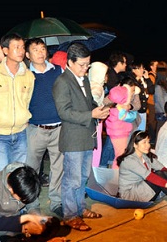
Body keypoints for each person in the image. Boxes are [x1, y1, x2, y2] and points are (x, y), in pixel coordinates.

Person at [52, 42, 109, 231]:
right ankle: (70, 215)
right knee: (72, 179)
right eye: (82, 65)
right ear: (70, 62)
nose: (85, 69)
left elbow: (88, 103)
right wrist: (91, 115)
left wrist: (98, 109)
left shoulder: (83, 79)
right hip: (73, 138)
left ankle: (80, 208)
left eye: (88, 65)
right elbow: (64, 112)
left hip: (86, 135)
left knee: (83, 176)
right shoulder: (62, 82)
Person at [0, 33, 35, 180]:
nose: (21, 51)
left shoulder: (29, 76)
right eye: (16, 47)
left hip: (21, 133)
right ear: (5, 50)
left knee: (19, 177)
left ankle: (16, 204)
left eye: (22, 47)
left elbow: (27, 101)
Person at [24, 38, 64, 217]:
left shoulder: (58, 71)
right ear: (27, 54)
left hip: (58, 127)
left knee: (58, 167)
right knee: (31, 169)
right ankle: (32, 204)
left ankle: (57, 202)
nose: (40, 52)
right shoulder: (24, 74)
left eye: (42, 48)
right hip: (35, 129)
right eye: (35, 49)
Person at [105, 84, 138, 169]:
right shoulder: (120, 110)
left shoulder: (115, 108)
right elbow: (131, 117)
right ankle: (116, 177)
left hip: (117, 133)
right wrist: (131, 109)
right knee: (120, 156)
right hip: (120, 133)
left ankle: (117, 176)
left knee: (119, 155)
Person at [88, 61, 108, 167]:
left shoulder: (89, 83)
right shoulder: (97, 87)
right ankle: (93, 171)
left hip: (91, 120)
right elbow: (93, 102)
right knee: (96, 148)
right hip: (96, 121)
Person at [129, 62, 154, 131]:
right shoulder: (131, 81)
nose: (142, 70)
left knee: (142, 130)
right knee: (135, 131)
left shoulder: (144, 79)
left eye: (143, 68)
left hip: (143, 109)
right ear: (133, 70)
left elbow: (152, 90)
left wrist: (148, 78)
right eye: (139, 68)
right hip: (135, 111)